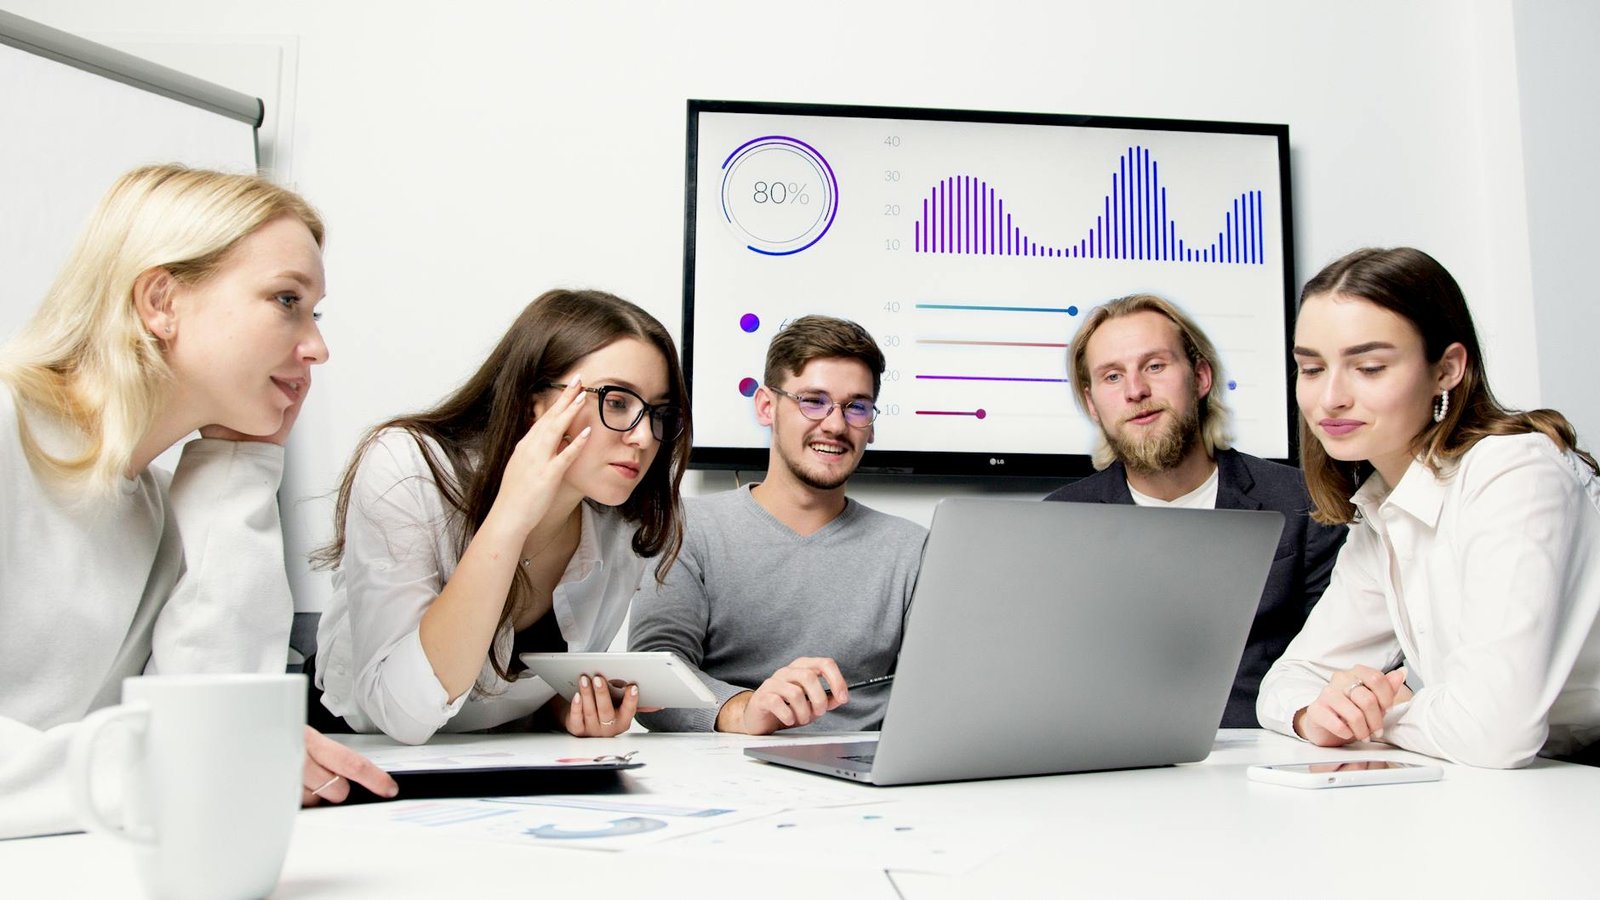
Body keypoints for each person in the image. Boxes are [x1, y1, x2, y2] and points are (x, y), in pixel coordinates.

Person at [0, 164, 395, 840]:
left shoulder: (155, 502)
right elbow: (203, 760)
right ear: (161, 301)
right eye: (285, 301)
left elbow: (213, 718)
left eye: (315, 311)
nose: (317, 347)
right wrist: (189, 764)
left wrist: (240, 461)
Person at [1258, 247, 1600, 768]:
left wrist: (1385, 712)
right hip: (1538, 783)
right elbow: (1288, 681)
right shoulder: (1384, 507)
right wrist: (1315, 711)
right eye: (1310, 368)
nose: (1330, 398)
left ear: (1447, 369)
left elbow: (1494, 733)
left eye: (1369, 367)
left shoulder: (1515, 472)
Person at [311, 289, 690, 745]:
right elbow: (403, 714)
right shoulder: (408, 468)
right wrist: (511, 517)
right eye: (616, 402)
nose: (645, 437)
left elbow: (505, 694)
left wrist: (565, 708)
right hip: (362, 755)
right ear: (536, 402)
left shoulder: (622, 526)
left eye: (659, 413)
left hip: (500, 765)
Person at [1044, 294, 1346, 726]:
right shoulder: (1058, 523)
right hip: (1114, 767)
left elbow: (1340, 663)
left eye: (1155, 366)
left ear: (1201, 376)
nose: (1136, 391)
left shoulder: (1303, 503)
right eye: (1112, 376)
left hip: (1266, 753)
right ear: (1093, 405)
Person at [629, 315, 926, 735]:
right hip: (727, 768)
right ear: (766, 406)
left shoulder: (913, 550)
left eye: (856, 406)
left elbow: (939, 687)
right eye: (813, 400)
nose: (836, 425)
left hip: (870, 772)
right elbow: (653, 678)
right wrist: (744, 711)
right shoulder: (687, 528)